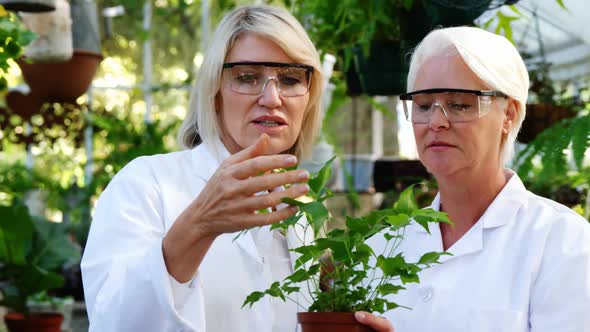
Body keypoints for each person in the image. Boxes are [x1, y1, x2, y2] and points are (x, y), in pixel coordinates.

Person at [81, 5, 392, 332]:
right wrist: (199, 224)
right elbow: (112, 322)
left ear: (309, 98)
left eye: (289, 79)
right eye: (247, 77)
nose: (272, 98)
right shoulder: (146, 184)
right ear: (214, 91)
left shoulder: (302, 216)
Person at [372, 26, 590, 331]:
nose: (435, 121)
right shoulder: (381, 248)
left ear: (509, 114)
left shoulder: (562, 243)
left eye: (459, 104)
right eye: (423, 105)